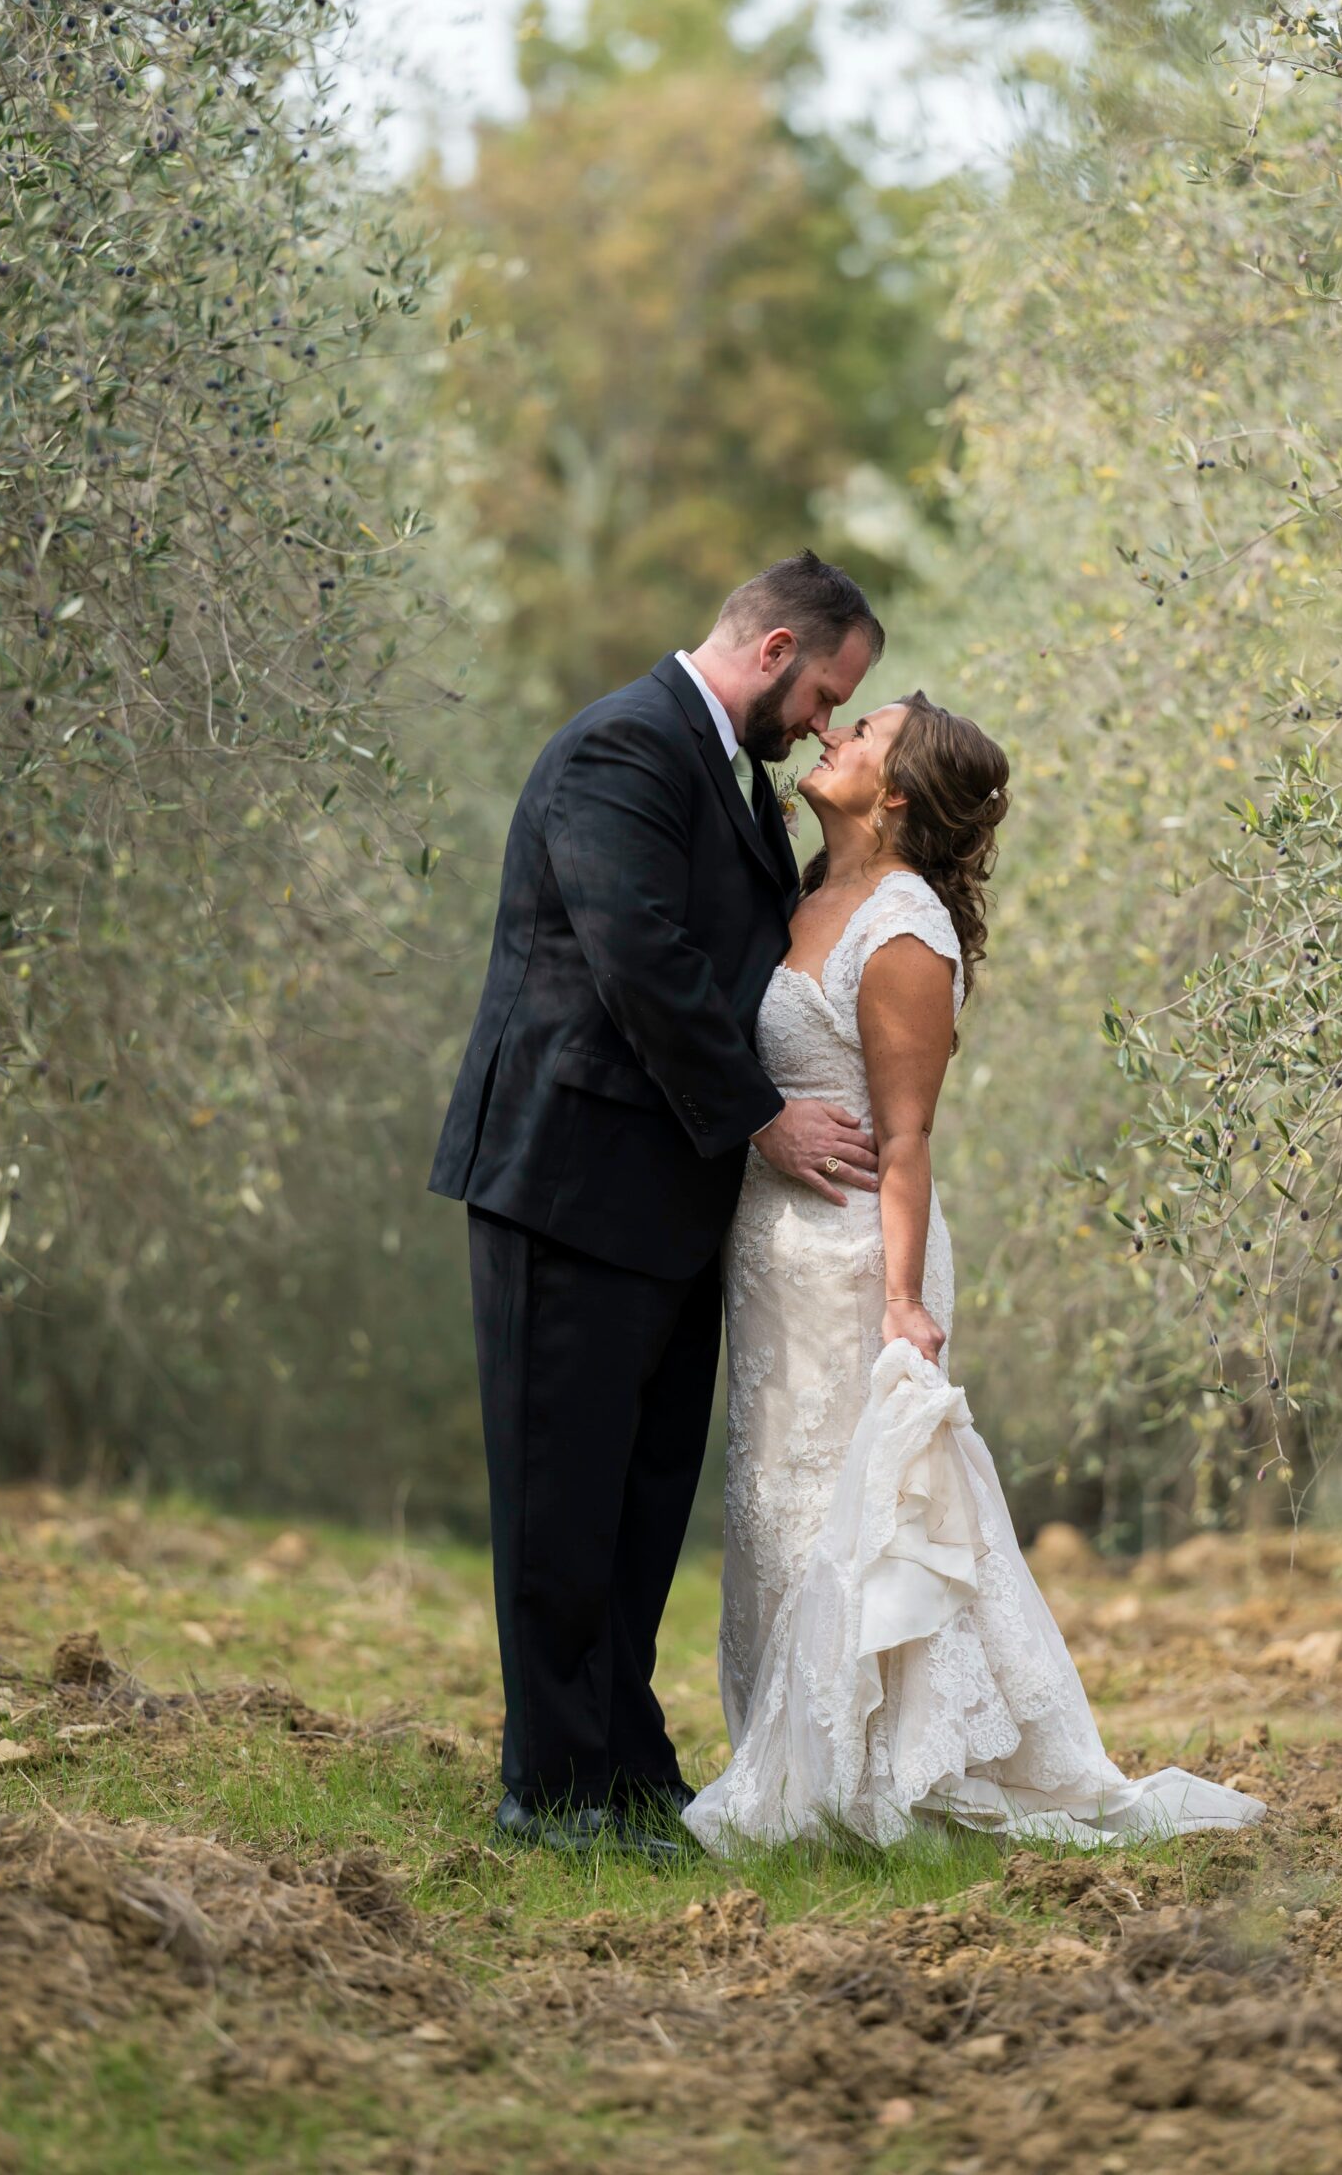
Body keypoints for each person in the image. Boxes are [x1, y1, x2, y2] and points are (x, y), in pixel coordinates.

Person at [684, 692, 1267, 1849]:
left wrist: (903, 1304)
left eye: (864, 735)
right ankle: (797, 1756)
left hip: (857, 1258)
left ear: (895, 792)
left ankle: (887, 1773)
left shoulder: (900, 928)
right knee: (776, 1499)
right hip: (773, 1258)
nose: (833, 734)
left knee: (864, 1502)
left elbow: (906, 1139)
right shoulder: (808, 891)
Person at [428, 552, 885, 1857]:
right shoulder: (620, 750)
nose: (817, 724)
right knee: (559, 1502)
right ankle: (547, 1786)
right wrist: (760, 1112)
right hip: (566, 1182)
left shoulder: (729, 773)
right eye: (821, 695)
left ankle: (624, 1768)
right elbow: (642, 954)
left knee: (636, 1508)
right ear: (774, 646)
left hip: (667, 1201)